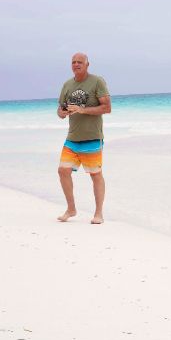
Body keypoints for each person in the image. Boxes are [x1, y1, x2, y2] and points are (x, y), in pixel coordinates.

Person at [56, 52, 111, 224]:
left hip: (92, 137)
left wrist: (83, 110)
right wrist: (63, 113)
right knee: (63, 171)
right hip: (72, 138)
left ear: (88, 64)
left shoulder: (97, 82)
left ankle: (98, 213)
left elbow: (106, 108)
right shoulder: (67, 85)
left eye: (80, 62)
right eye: (73, 62)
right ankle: (71, 209)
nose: (76, 64)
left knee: (95, 175)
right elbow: (59, 110)